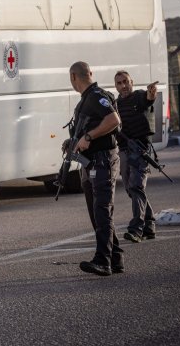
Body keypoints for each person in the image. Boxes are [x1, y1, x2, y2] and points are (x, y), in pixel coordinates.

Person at [66, 61, 123, 276]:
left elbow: (114, 120)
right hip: (90, 162)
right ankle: (115, 258)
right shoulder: (86, 99)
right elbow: (89, 127)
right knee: (97, 211)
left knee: (102, 211)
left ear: (73, 77)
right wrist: (73, 141)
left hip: (103, 160)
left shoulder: (96, 96)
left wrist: (88, 137)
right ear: (89, 73)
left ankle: (103, 260)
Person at [114, 70, 158, 243]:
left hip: (141, 150)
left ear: (132, 82)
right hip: (124, 151)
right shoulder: (116, 104)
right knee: (131, 189)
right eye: (119, 83)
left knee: (136, 187)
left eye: (126, 81)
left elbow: (148, 99)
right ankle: (150, 225)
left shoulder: (139, 96)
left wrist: (151, 93)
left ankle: (136, 229)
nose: (123, 86)